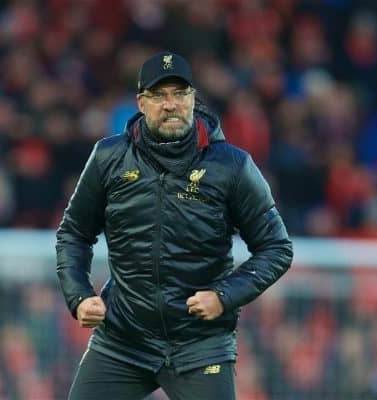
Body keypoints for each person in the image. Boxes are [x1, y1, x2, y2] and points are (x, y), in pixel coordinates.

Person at [56, 51, 293, 400]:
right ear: (141, 102)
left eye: (179, 94)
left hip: (200, 344)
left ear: (193, 99)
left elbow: (276, 248)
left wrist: (224, 297)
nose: (171, 104)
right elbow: (74, 233)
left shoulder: (233, 166)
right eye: (159, 95)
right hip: (123, 339)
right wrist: (78, 296)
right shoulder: (108, 158)